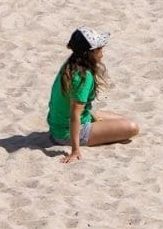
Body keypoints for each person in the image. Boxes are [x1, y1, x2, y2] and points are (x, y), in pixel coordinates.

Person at [46, 27, 140, 164]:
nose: (102, 53)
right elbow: (74, 115)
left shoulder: (70, 64)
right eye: (99, 48)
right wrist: (75, 150)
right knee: (132, 128)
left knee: (125, 120)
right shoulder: (83, 76)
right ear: (89, 53)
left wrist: (93, 117)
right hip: (66, 132)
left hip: (60, 124)